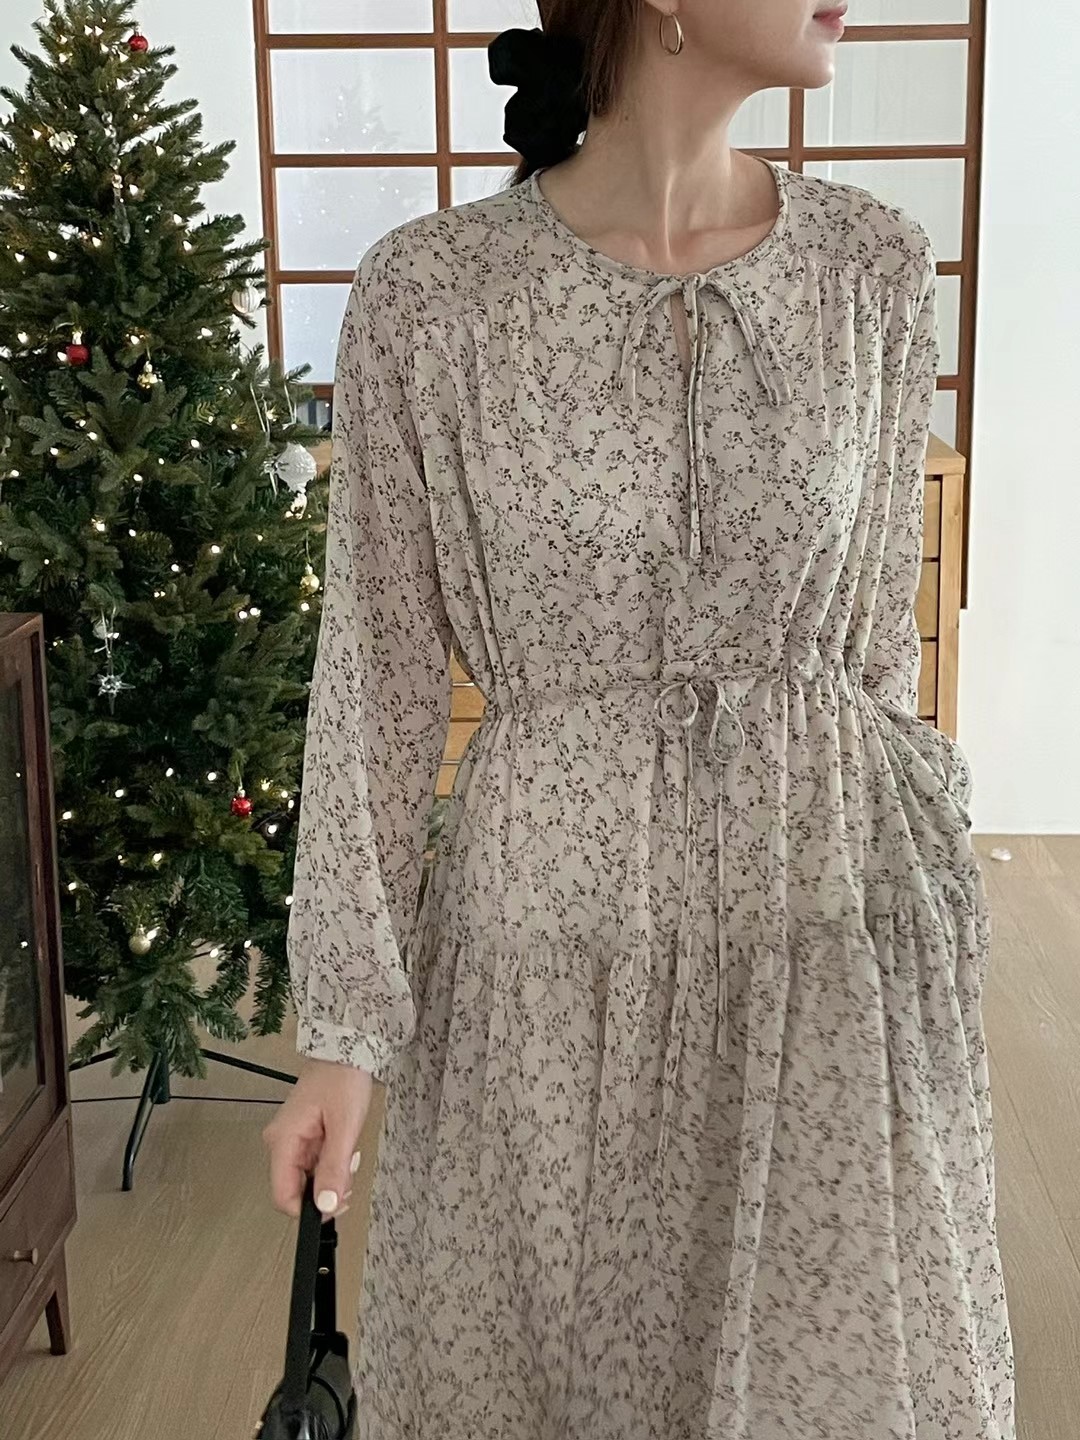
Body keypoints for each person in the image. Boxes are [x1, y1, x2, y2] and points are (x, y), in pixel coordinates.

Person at [263, 2, 1016, 1435]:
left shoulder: (871, 265)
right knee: (552, 1371)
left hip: (821, 942)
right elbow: (375, 678)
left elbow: (872, 651)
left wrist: (927, 873)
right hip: (546, 947)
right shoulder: (434, 295)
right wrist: (345, 1028)